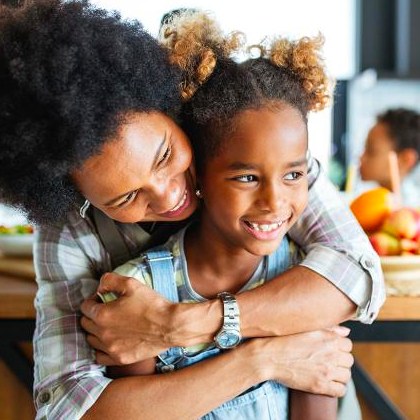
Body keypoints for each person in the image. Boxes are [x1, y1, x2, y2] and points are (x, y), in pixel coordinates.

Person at [0, 1, 384, 419]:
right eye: (125, 198)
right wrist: (262, 360)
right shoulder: (73, 233)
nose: (168, 197)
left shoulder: (248, 149)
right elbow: (69, 410)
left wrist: (179, 325)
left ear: (169, 107)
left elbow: (357, 275)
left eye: (165, 154)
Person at [102, 11, 345, 420]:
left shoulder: (305, 282)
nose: (274, 200)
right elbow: (136, 410)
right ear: (198, 176)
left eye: (293, 174)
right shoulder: (137, 293)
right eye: (247, 177)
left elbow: (317, 393)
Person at [359, 108, 420, 207]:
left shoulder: (409, 210)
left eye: (371, 151)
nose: (361, 158)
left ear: (406, 160)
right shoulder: (364, 201)